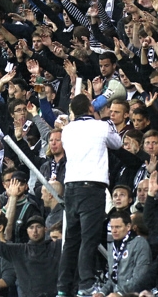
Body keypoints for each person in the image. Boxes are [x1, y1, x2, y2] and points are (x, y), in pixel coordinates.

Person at [57, 94, 123, 297]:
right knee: (89, 238)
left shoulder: (66, 130)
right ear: (90, 108)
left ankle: (62, 287)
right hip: (92, 188)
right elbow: (118, 143)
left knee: (71, 240)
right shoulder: (101, 126)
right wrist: (105, 120)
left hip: (71, 188)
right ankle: (86, 284)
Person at [0, 204, 62, 297]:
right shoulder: (18, 250)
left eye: (38, 227)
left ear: (45, 229)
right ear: (27, 231)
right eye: (31, 227)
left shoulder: (55, 247)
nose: (35, 231)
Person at [95, 210, 152, 297]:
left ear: (128, 226)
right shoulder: (112, 245)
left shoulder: (139, 243)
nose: (114, 231)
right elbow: (112, 277)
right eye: (112, 227)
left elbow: (140, 278)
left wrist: (120, 294)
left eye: (118, 227)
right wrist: (102, 292)